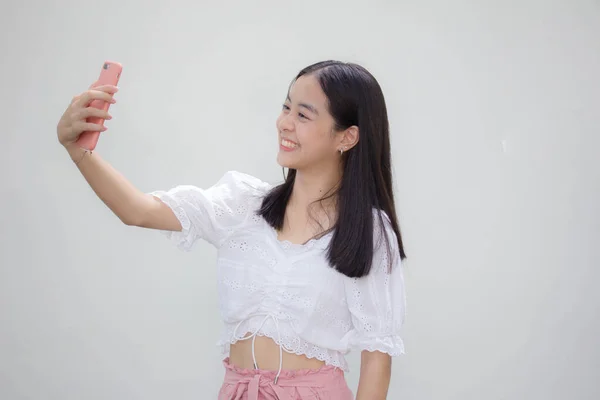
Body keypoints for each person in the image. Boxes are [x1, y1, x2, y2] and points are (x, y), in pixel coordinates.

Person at [56, 60, 407, 400]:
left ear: (347, 137)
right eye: (285, 107)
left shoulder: (369, 232)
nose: (284, 123)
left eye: (303, 114)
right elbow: (137, 210)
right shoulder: (243, 205)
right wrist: (79, 151)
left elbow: (377, 356)